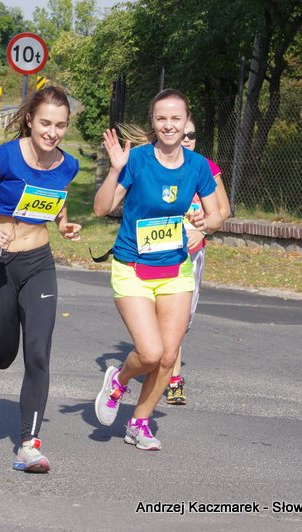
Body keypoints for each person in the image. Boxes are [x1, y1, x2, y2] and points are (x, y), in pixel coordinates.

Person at [0, 86, 82, 473]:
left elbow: (56, 201)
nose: (52, 132)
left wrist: (64, 224)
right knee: (3, 354)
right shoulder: (5, 156)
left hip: (39, 263)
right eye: (46, 123)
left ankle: (29, 446)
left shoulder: (68, 165)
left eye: (60, 125)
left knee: (38, 354)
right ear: (30, 119)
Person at [92, 89, 223, 451]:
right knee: (149, 353)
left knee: (167, 356)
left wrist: (203, 224)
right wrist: (115, 170)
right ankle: (119, 380)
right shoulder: (136, 159)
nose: (168, 125)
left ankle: (139, 423)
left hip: (176, 268)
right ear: (152, 121)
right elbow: (101, 209)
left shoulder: (198, 166)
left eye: (175, 118)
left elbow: (216, 214)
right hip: (132, 266)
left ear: (186, 122)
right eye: (161, 118)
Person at [166, 117, 232, 405]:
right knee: (165, 315)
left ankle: (166, 367)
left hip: (192, 252)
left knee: (182, 318)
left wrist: (201, 230)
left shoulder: (206, 167)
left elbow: (223, 210)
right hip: (160, 250)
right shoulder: (160, 164)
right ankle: (173, 378)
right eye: (183, 134)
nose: (187, 139)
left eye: (191, 135)